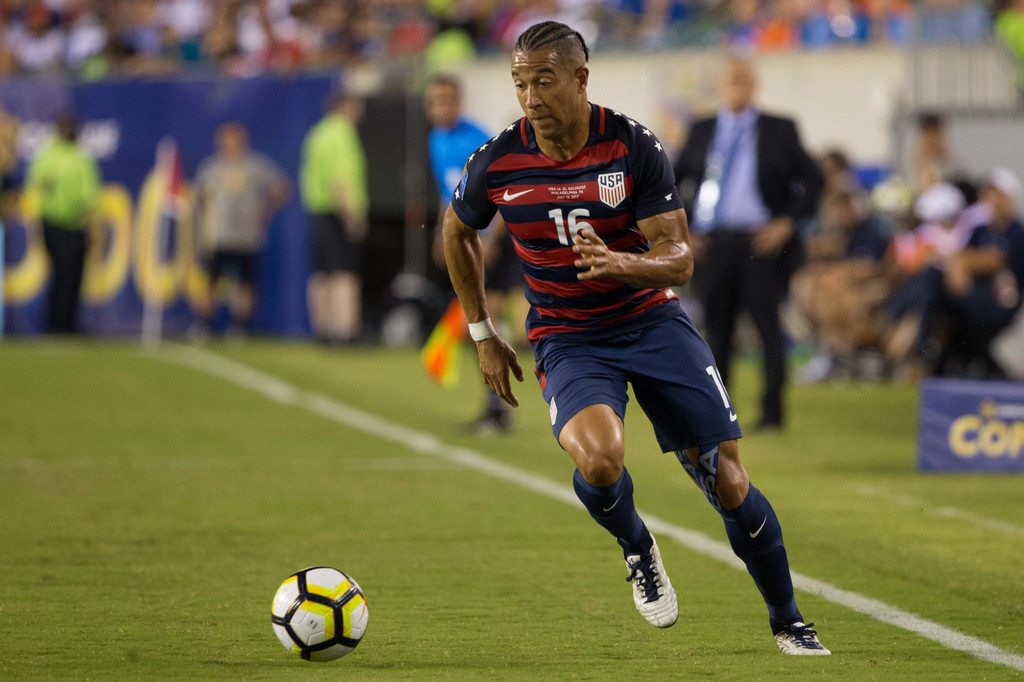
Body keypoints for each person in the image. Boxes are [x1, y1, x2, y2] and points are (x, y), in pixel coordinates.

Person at [443, 20, 829, 655]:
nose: (531, 97)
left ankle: (789, 620)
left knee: (727, 479)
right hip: (569, 336)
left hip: (651, 322)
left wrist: (623, 263)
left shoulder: (631, 147)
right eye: (519, 83)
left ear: (580, 78)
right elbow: (455, 232)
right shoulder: (499, 158)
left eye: (543, 80)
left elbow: (678, 258)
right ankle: (637, 546)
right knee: (598, 459)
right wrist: (483, 332)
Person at [673, 56, 823, 430]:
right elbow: (670, 183)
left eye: (743, 79)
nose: (736, 86)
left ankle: (772, 413)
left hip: (761, 244)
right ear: (720, 86)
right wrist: (685, 228)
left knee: (768, 329)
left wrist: (787, 223)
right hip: (714, 244)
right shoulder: (702, 129)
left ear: (754, 84)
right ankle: (720, 411)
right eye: (730, 79)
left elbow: (814, 180)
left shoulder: (779, 128)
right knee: (716, 332)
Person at [425, 74, 525, 434]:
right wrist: (443, 236)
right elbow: (448, 196)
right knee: (480, 325)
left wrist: (491, 240)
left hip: (492, 241)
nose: (442, 107)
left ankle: (498, 409)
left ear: (459, 102)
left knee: (486, 322)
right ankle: (495, 408)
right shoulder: (435, 140)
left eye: (448, 100)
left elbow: (500, 194)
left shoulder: (477, 139)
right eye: (435, 101)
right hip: (467, 241)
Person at [914, 168, 1024, 378]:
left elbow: (996, 260)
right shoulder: (980, 229)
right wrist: (958, 263)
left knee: (938, 283)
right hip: (974, 294)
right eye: (988, 193)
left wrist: (962, 262)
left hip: (1000, 302)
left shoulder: (1016, 231)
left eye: (997, 194)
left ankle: (926, 350)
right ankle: (928, 349)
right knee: (933, 277)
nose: (991, 199)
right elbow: (960, 254)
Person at [193, 121, 290, 336]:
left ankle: (239, 326)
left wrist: (265, 212)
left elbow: (281, 186)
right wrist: (207, 217)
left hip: (247, 235)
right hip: (218, 235)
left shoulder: (255, 165)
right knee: (211, 281)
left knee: (245, 282)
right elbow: (199, 195)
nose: (230, 145)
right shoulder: (212, 167)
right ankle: (205, 323)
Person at [300, 92, 369, 345]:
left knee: (322, 274)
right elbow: (340, 180)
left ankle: (323, 329)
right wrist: (352, 216)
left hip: (316, 211)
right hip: (337, 212)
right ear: (347, 106)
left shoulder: (318, 133)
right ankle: (346, 331)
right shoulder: (342, 134)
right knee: (344, 272)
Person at [25, 114, 101, 334]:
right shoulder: (80, 160)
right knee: (71, 277)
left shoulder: (45, 157)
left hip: (49, 224)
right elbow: (88, 200)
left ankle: (54, 322)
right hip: (72, 226)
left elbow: (37, 192)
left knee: (59, 274)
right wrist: (93, 229)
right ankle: (64, 324)